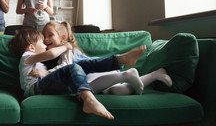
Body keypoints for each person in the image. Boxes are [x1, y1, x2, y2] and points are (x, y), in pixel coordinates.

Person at [8, 29, 146, 120]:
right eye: (42, 43)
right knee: (72, 67)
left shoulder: (32, 60)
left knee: (83, 65)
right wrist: (66, 46)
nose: (45, 45)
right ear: (32, 47)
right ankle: (89, 99)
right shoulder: (26, 56)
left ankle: (120, 60)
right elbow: (50, 54)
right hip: (34, 90)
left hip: (43, 87)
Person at [36, 21, 173, 95]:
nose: (46, 39)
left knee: (86, 90)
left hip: (97, 72)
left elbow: (66, 67)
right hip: (104, 75)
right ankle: (155, 75)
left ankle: (125, 74)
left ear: (63, 38)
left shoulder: (66, 48)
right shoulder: (62, 52)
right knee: (116, 91)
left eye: (50, 35)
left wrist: (46, 73)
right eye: (44, 36)